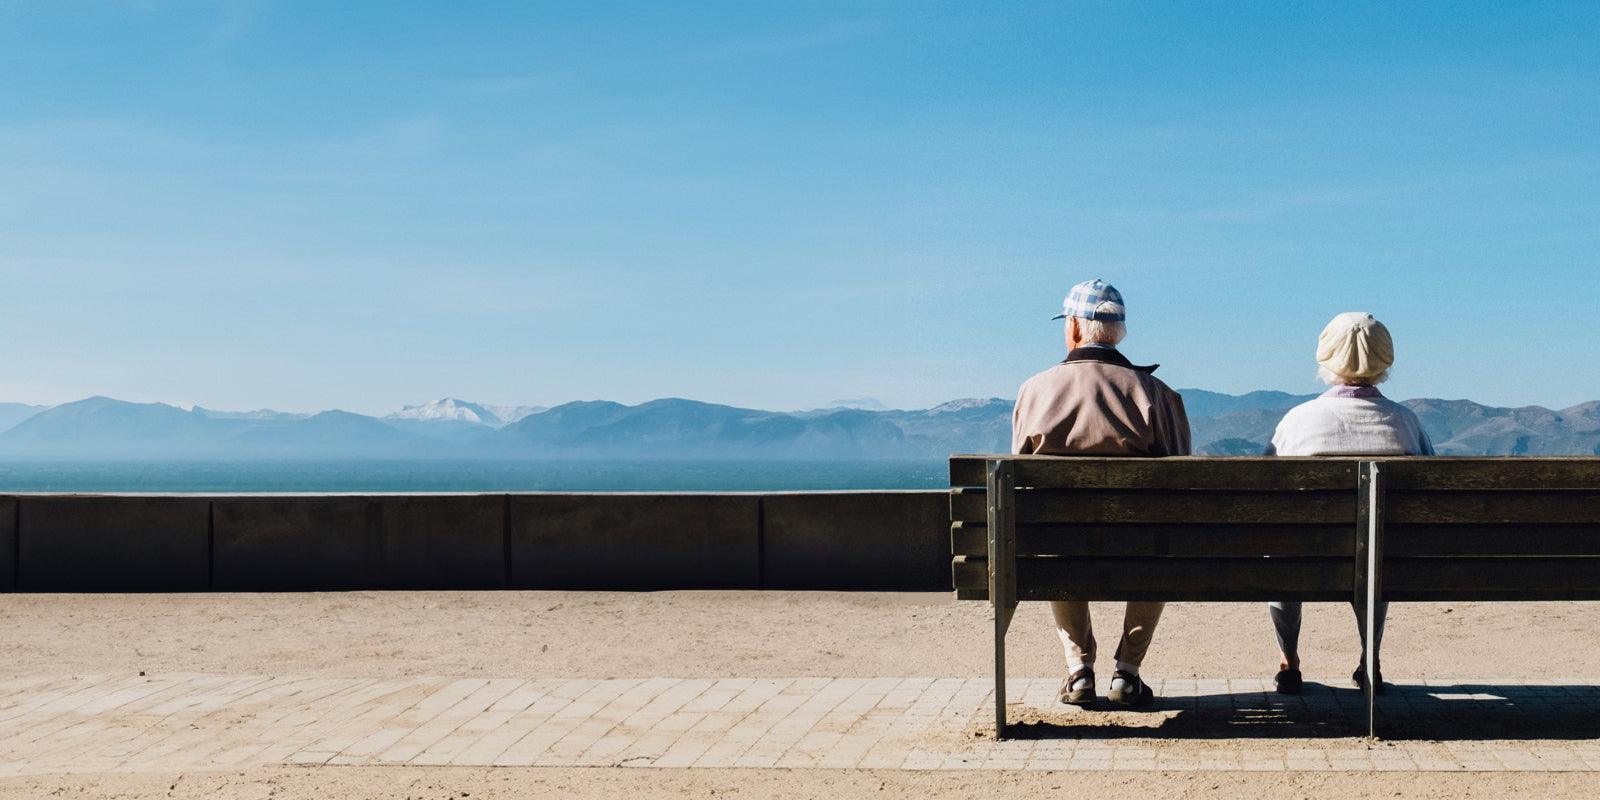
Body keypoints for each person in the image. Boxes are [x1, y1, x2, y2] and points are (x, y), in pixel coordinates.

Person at [1012, 279, 1191, 708]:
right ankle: (1127, 672)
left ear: (1073, 327)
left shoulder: (1035, 390)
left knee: (1052, 539)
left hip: (1063, 548)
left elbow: (1018, 482)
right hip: (1141, 548)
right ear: (1118, 332)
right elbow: (1184, 481)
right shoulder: (1158, 396)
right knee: (1159, 544)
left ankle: (1078, 671)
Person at [1265, 312, 1433, 696]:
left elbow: (1266, 493)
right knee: (1374, 554)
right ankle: (1368, 658)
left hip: (1305, 559)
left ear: (1325, 359)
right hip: (1384, 560)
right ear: (1385, 360)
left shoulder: (1298, 422)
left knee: (1282, 555)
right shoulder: (1406, 423)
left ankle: (1289, 662)